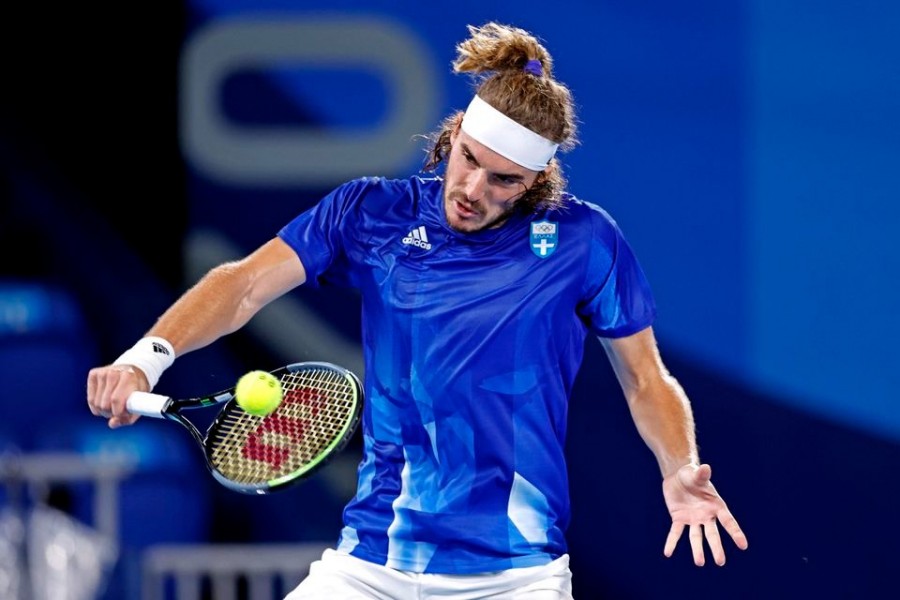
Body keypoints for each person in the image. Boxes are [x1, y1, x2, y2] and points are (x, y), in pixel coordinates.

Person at [86, 21, 748, 599]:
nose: (472, 188)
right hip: (373, 561)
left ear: (536, 181)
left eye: (502, 180)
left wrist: (681, 467)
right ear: (454, 134)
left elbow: (646, 379)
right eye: (468, 160)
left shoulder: (584, 240)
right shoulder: (370, 212)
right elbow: (244, 284)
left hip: (516, 575)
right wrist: (145, 359)